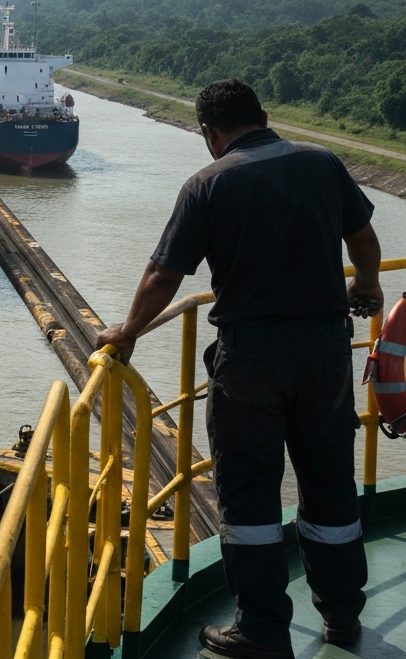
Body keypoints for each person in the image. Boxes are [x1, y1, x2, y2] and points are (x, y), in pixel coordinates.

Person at [96, 78, 381, 659]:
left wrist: (126, 333)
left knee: (249, 494)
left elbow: (162, 276)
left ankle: (261, 629)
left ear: (210, 132)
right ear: (266, 115)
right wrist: (368, 286)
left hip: (251, 360)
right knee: (330, 483)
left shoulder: (208, 183)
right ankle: (344, 616)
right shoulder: (323, 163)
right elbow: (364, 238)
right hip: (326, 354)